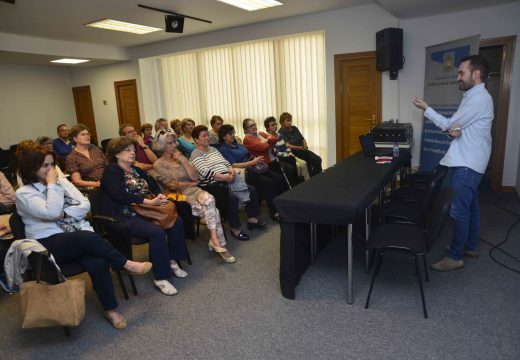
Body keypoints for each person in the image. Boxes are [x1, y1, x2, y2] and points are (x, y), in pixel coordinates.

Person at [15, 145, 152, 329]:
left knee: (98, 262)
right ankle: (125, 263)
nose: (51, 170)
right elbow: (51, 211)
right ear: (31, 169)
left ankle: (111, 310)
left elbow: (84, 205)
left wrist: (62, 213)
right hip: (49, 243)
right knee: (87, 238)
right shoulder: (24, 194)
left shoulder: (62, 183)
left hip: (74, 237)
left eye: (52, 165)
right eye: (44, 166)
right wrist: (52, 185)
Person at [413, 54, 493, 272]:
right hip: (469, 160)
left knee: (458, 210)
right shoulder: (473, 96)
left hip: (467, 164)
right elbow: (457, 129)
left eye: (461, 72)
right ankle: (470, 246)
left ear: (476, 74)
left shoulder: (479, 98)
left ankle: (456, 256)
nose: (458, 76)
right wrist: (454, 130)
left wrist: (426, 109)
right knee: (471, 206)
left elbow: (449, 124)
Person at [100, 137, 189, 295]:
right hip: (126, 214)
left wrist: (159, 197)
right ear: (116, 154)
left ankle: (172, 260)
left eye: (133, 150)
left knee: (176, 221)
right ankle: (160, 278)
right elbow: (120, 195)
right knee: (157, 232)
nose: (132, 153)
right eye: (127, 150)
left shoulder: (137, 170)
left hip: (148, 209)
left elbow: (153, 186)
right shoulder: (111, 171)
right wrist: (149, 203)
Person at [153, 132, 235, 263]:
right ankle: (221, 245)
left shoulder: (181, 158)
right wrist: (188, 183)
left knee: (210, 199)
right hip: (181, 197)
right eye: (170, 143)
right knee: (214, 211)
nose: (174, 145)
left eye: (175, 142)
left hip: (195, 191)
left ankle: (214, 239)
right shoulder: (158, 164)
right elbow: (171, 185)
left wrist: (184, 161)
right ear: (162, 146)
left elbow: (195, 178)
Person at [190, 125, 268, 240]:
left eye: (208, 135)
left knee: (251, 189)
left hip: (227, 177)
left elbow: (226, 163)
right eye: (204, 136)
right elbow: (207, 173)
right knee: (232, 198)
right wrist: (225, 177)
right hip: (213, 185)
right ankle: (235, 229)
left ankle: (253, 220)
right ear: (196, 139)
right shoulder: (195, 154)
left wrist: (231, 172)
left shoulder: (213, 149)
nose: (207, 138)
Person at [219, 124, 284, 221]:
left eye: (233, 133)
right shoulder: (224, 149)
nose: (233, 135)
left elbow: (251, 155)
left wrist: (257, 159)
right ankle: (275, 212)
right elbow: (233, 165)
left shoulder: (238, 145)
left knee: (278, 178)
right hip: (244, 172)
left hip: (254, 167)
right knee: (268, 183)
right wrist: (253, 162)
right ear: (223, 136)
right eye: (229, 134)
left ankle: (282, 207)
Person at [262, 116, 309, 185]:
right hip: (280, 158)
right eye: (272, 125)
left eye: (275, 124)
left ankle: (306, 183)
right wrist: (286, 155)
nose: (275, 126)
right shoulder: (268, 138)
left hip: (287, 155)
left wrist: (289, 153)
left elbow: (286, 146)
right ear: (267, 128)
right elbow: (274, 152)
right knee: (296, 166)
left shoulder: (279, 135)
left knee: (303, 163)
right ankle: (295, 183)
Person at [278, 112, 322, 176]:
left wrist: (305, 144)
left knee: (318, 159)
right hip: (294, 153)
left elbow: (302, 138)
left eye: (290, 120)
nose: (290, 122)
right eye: (287, 121)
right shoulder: (281, 132)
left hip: (303, 150)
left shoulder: (294, 128)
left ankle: (317, 177)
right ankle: (312, 179)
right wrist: (300, 147)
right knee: (309, 163)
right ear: (282, 122)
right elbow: (288, 146)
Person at [66, 124, 107, 189]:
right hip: (93, 186)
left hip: (108, 179)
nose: (87, 136)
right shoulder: (72, 157)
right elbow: (77, 181)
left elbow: (108, 165)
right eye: (83, 134)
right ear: (75, 138)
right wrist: (97, 184)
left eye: (88, 134)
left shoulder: (95, 149)